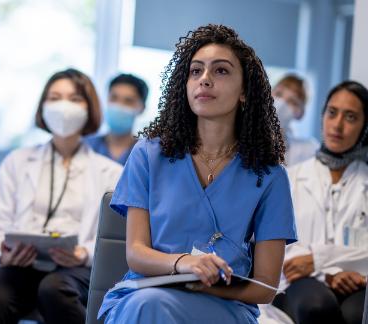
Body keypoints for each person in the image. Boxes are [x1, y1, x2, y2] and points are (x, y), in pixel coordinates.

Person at [98, 24, 298, 323]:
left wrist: (205, 285)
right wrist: (185, 264)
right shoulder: (148, 155)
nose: (204, 80)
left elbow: (266, 287)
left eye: (220, 71)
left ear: (244, 91)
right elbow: (136, 254)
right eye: (196, 71)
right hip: (144, 294)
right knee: (147, 305)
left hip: (225, 305)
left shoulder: (269, 176)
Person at [0, 68, 122, 324]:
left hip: (77, 270)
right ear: (43, 106)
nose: (63, 106)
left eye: (74, 98)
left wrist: (82, 253)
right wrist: (4, 253)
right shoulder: (17, 162)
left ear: (90, 108)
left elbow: (113, 242)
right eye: (55, 98)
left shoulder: (111, 173)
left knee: (54, 289)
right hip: (22, 265)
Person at [272, 81, 368, 324]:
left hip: (358, 279)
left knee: (358, 314)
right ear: (322, 116)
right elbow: (278, 244)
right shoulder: (290, 178)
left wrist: (322, 260)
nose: (338, 125)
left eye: (351, 117)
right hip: (299, 282)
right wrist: (328, 274)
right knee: (316, 306)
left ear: (364, 126)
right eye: (332, 113)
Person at [84, 74, 148, 164]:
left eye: (128, 101)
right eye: (114, 98)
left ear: (142, 108)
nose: (119, 106)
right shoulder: (86, 146)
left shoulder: (146, 153)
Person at [272, 74, 319, 166]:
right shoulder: (240, 140)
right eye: (278, 94)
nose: (282, 103)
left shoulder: (309, 150)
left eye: (292, 101)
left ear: (300, 113)